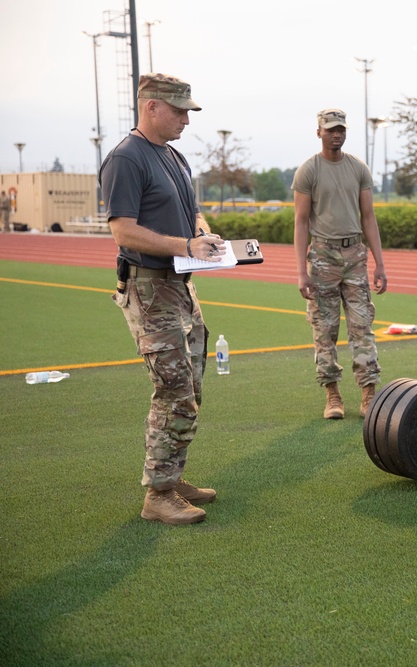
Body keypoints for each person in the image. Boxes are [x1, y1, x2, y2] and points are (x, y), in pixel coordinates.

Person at [101, 73, 223, 526]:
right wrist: (184, 246)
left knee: (190, 386)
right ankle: (157, 495)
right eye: (179, 111)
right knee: (172, 389)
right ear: (151, 106)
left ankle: (172, 478)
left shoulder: (172, 155)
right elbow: (122, 229)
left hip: (180, 285)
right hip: (149, 288)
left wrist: (203, 234)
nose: (186, 120)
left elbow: (190, 211)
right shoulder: (126, 159)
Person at [292, 108, 387, 420]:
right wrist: (301, 271)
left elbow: (369, 218)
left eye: (341, 129)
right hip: (322, 258)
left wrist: (379, 264)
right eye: (331, 129)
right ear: (319, 132)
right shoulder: (309, 171)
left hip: (355, 256)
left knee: (362, 326)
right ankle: (332, 394)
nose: (337, 134)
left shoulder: (358, 168)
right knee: (325, 329)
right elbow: (301, 222)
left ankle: (368, 393)